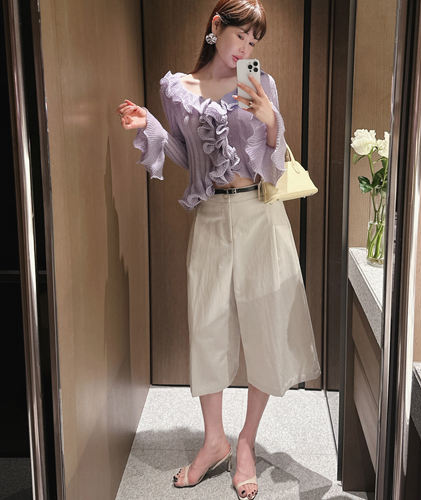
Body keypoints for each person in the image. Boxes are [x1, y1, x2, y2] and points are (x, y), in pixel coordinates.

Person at [116, 0, 321, 498]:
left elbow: (274, 163)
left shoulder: (260, 83)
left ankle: (245, 441)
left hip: (260, 216)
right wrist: (150, 126)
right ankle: (214, 441)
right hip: (211, 215)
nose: (245, 49)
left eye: (254, 42)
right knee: (207, 326)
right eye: (240, 37)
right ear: (216, 27)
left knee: (265, 325)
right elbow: (187, 157)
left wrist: (270, 121)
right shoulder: (177, 89)